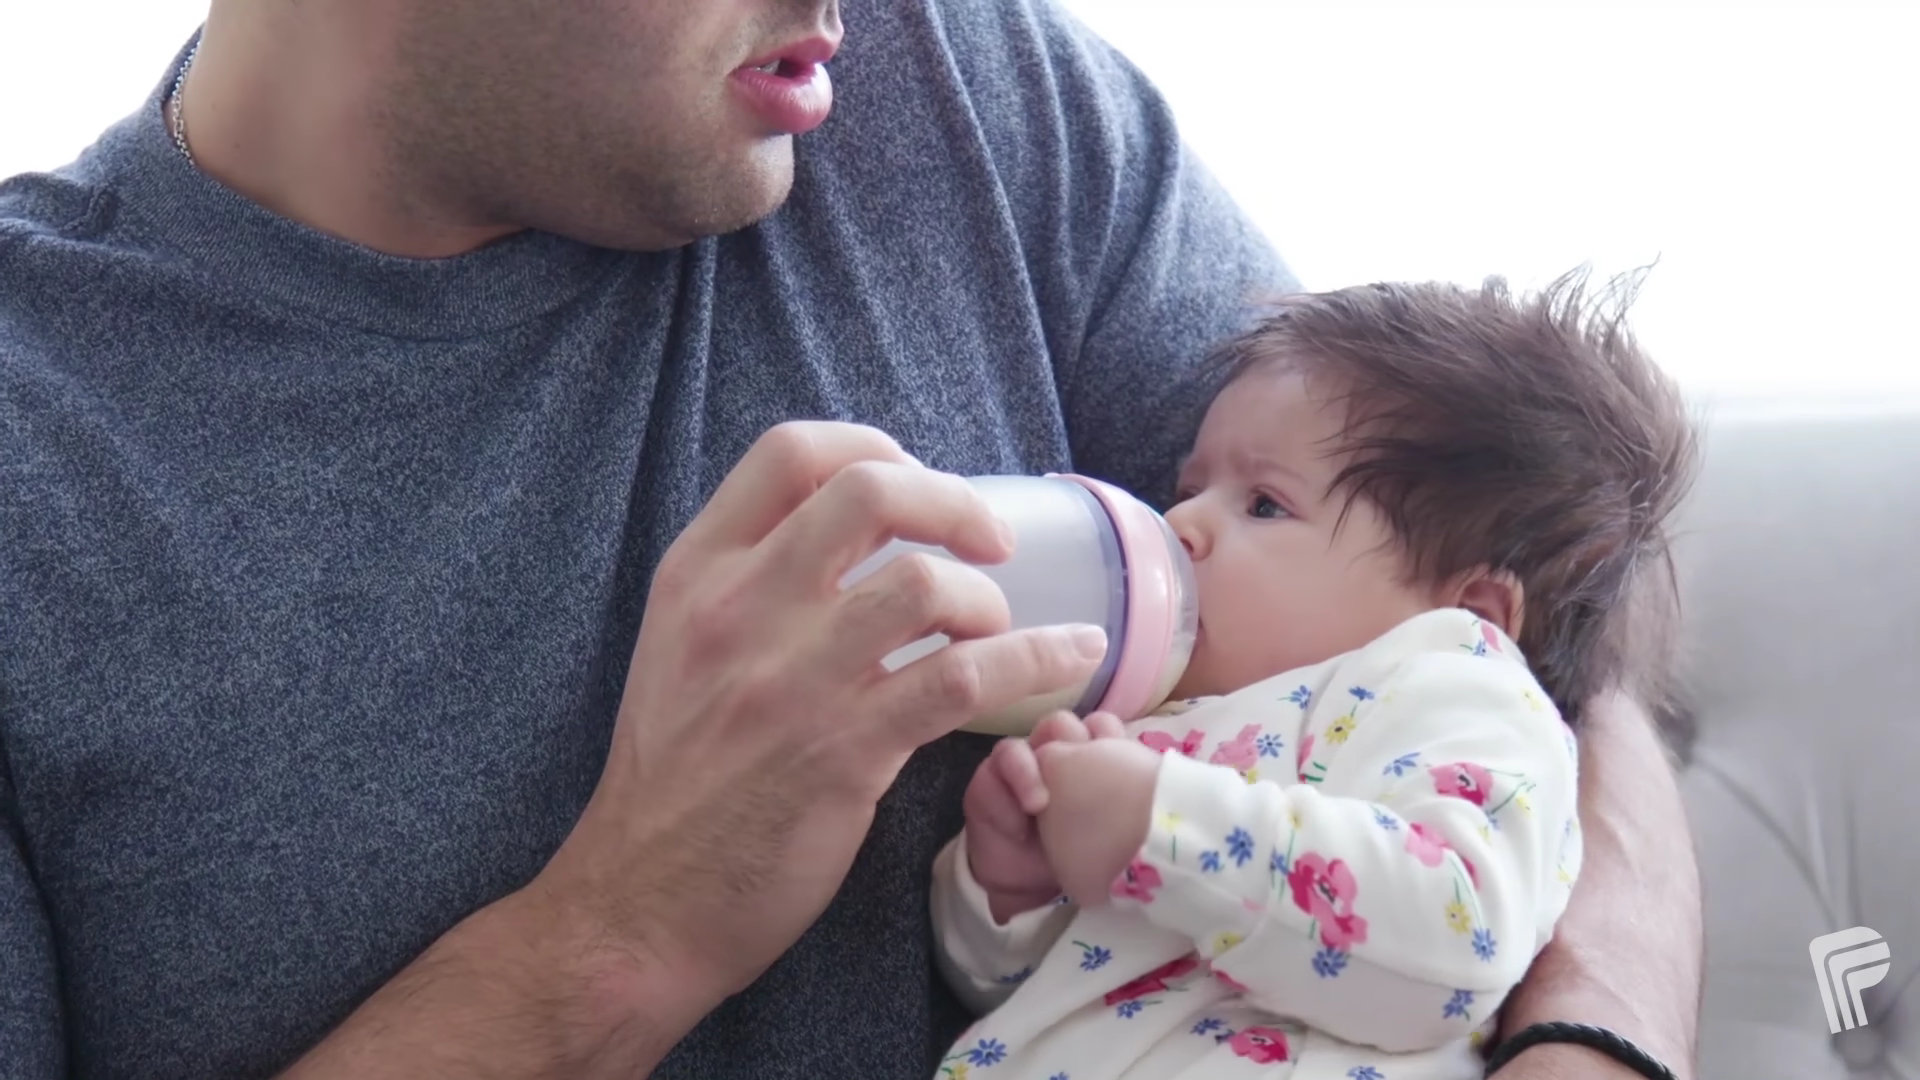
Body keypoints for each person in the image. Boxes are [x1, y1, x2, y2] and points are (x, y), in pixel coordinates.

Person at [0, 1, 1701, 1078]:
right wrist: (622, 930)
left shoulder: (985, 106)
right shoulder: (41, 441)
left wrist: (1583, 1044)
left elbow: (1505, 622)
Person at [930, 275, 1698, 1079]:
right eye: (1189, 491)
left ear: (1469, 609)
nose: (1179, 525)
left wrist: (1163, 826)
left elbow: (1457, 940)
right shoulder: (1155, 723)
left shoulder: (1457, 689)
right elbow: (1012, 998)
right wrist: (1008, 889)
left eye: (1262, 504)